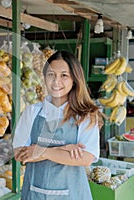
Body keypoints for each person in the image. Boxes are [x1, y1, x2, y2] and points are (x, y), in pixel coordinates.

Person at [13, 50, 103, 200]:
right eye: (51, 75)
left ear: (74, 79)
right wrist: (62, 149)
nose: (56, 81)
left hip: (73, 195)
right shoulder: (32, 112)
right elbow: (20, 154)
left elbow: (85, 158)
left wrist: (41, 151)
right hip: (34, 193)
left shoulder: (85, 116)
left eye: (64, 75)